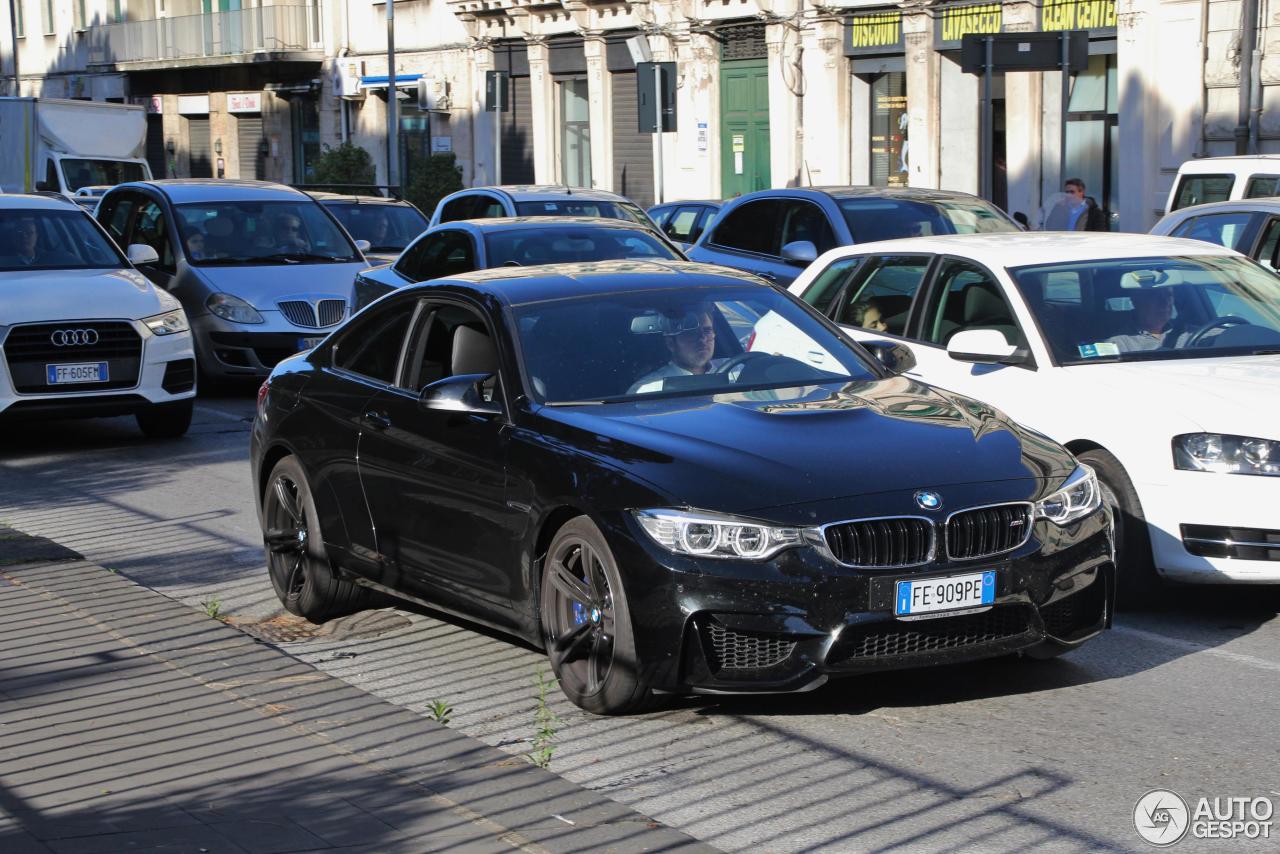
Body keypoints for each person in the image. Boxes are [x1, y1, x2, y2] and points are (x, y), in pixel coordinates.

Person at [629, 305, 727, 394]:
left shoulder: (736, 371)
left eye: (707, 331)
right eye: (691, 333)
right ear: (671, 343)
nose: (703, 338)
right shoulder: (651, 389)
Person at [1106, 288, 1189, 352]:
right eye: (1155, 295)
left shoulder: (1191, 333)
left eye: (1169, 295)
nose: (1164, 302)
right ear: (1136, 301)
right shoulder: (1118, 343)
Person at [1043, 178, 1107, 232]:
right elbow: (1050, 227)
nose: (1069, 195)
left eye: (1072, 192)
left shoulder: (1094, 212)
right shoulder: (1061, 208)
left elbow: (1099, 232)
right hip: (1063, 243)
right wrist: (1059, 209)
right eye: (1067, 192)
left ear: (1081, 192)